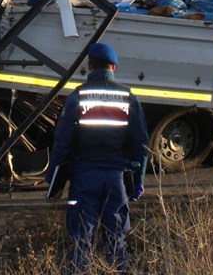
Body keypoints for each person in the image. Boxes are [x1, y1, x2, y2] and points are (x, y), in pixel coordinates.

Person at [46, 42, 148, 274]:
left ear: (89, 66)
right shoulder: (128, 97)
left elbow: (62, 141)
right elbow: (140, 144)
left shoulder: (77, 97)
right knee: (117, 240)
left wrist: (53, 179)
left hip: (84, 178)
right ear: (114, 67)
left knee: (81, 238)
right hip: (117, 179)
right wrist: (138, 181)